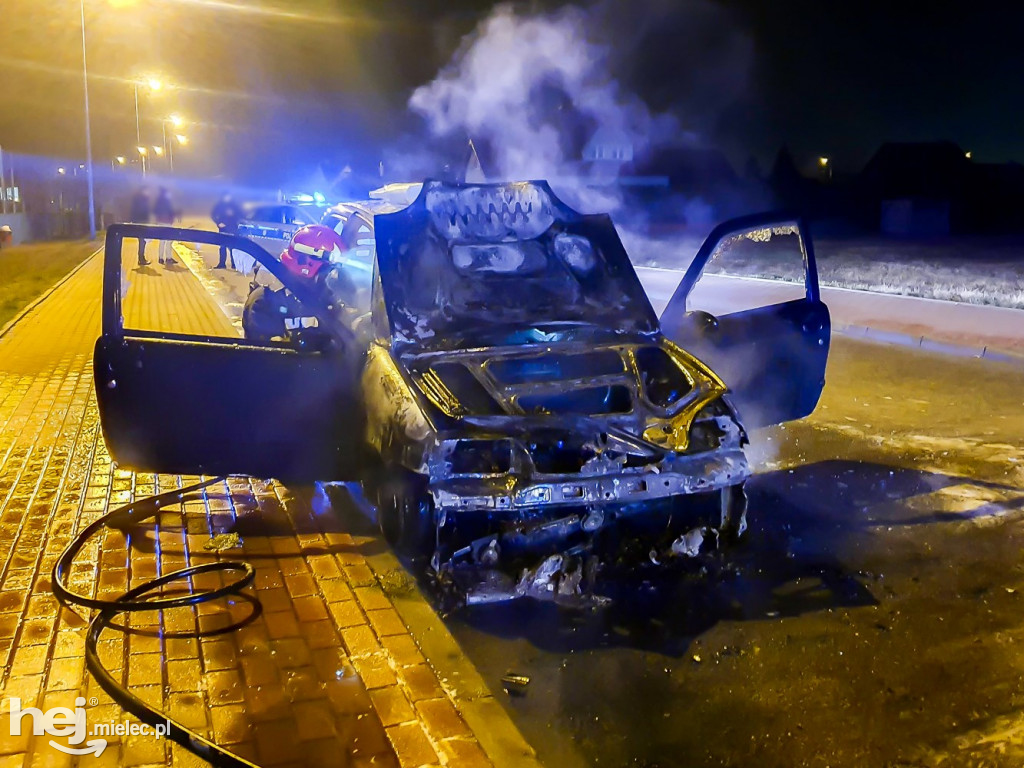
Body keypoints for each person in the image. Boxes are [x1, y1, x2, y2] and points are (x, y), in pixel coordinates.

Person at [210, 192, 240, 269]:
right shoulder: (220, 205)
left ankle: (234, 264)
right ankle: (222, 264)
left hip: (232, 228)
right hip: (222, 229)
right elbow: (213, 214)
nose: (227, 198)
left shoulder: (234, 206)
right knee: (222, 246)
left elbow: (237, 216)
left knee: (232, 247)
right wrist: (218, 222)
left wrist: (228, 222)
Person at [128, 188, 151, 266]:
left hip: (140, 223)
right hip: (141, 224)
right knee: (142, 242)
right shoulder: (142, 201)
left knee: (142, 242)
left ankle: (141, 258)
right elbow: (142, 213)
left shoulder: (139, 201)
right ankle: (141, 259)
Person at [153, 187, 175, 265]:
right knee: (169, 241)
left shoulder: (158, 201)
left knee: (162, 241)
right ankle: (168, 258)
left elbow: (155, 211)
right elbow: (170, 211)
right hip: (167, 222)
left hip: (160, 222)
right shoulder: (167, 201)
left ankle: (161, 258)